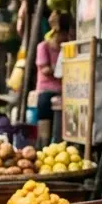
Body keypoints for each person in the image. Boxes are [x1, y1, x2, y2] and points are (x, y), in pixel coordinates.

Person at [34, 13, 74, 141]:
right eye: (62, 34)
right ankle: (43, 143)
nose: (64, 38)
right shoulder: (43, 47)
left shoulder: (67, 48)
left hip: (64, 91)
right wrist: (61, 68)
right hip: (47, 91)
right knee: (45, 113)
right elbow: (45, 69)